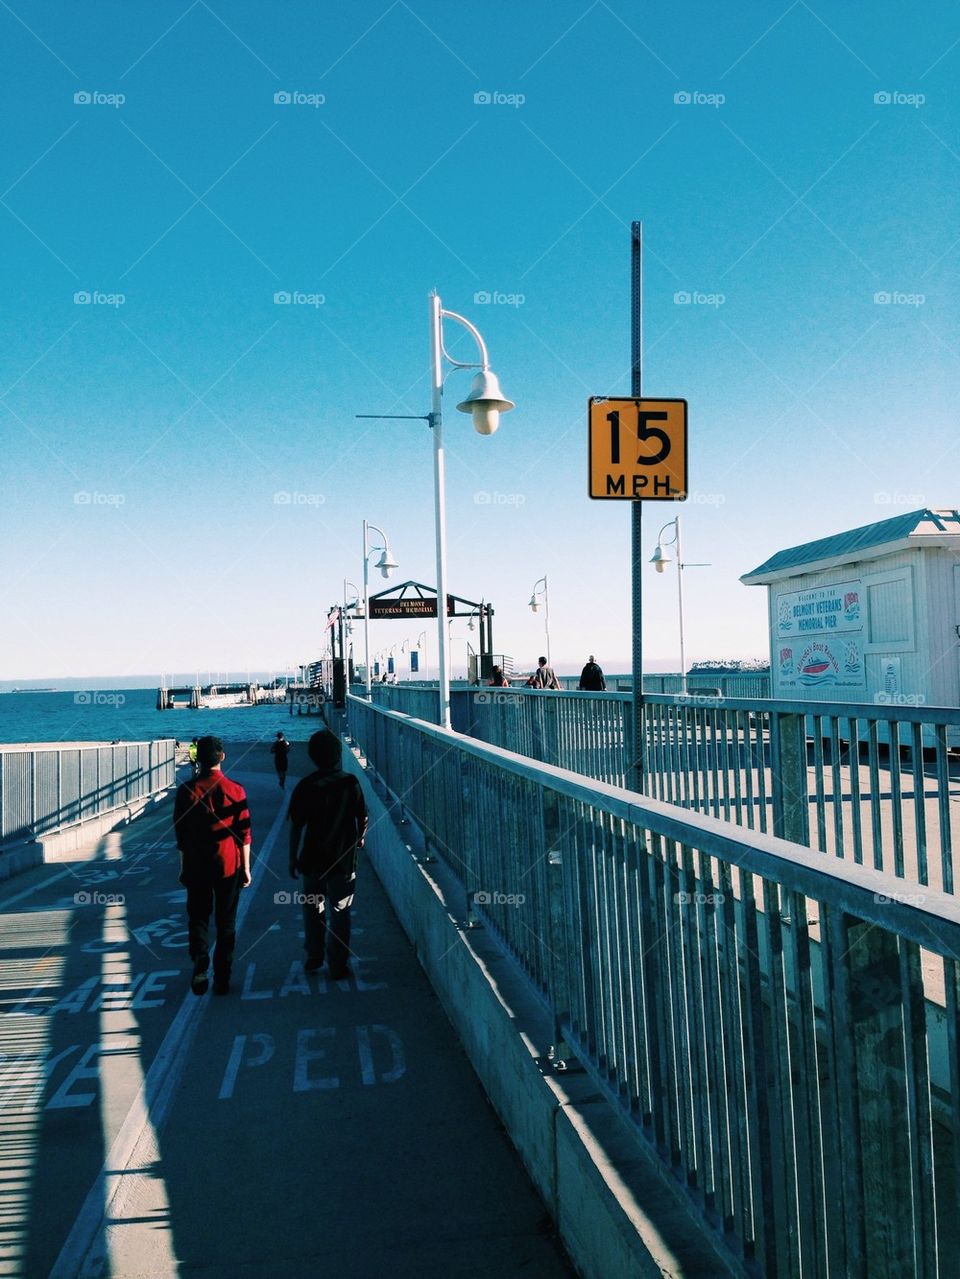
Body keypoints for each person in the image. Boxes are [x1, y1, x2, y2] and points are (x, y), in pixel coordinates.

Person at [173, 736, 252, 996]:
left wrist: (182, 867)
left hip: (196, 865)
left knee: (198, 916)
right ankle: (222, 978)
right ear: (222, 757)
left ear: (198, 759)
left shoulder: (186, 791)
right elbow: (244, 834)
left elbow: (181, 834)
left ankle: (199, 958)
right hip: (228, 864)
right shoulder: (235, 790)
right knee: (226, 921)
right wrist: (247, 868)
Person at [288, 730, 368, 979]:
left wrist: (292, 857)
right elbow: (362, 817)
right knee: (341, 912)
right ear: (337, 755)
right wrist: (360, 837)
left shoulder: (305, 786)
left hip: (312, 859)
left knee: (313, 908)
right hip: (343, 860)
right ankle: (338, 964)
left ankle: (314, 955)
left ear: (312, 756)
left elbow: (296, 827)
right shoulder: (350, 783)